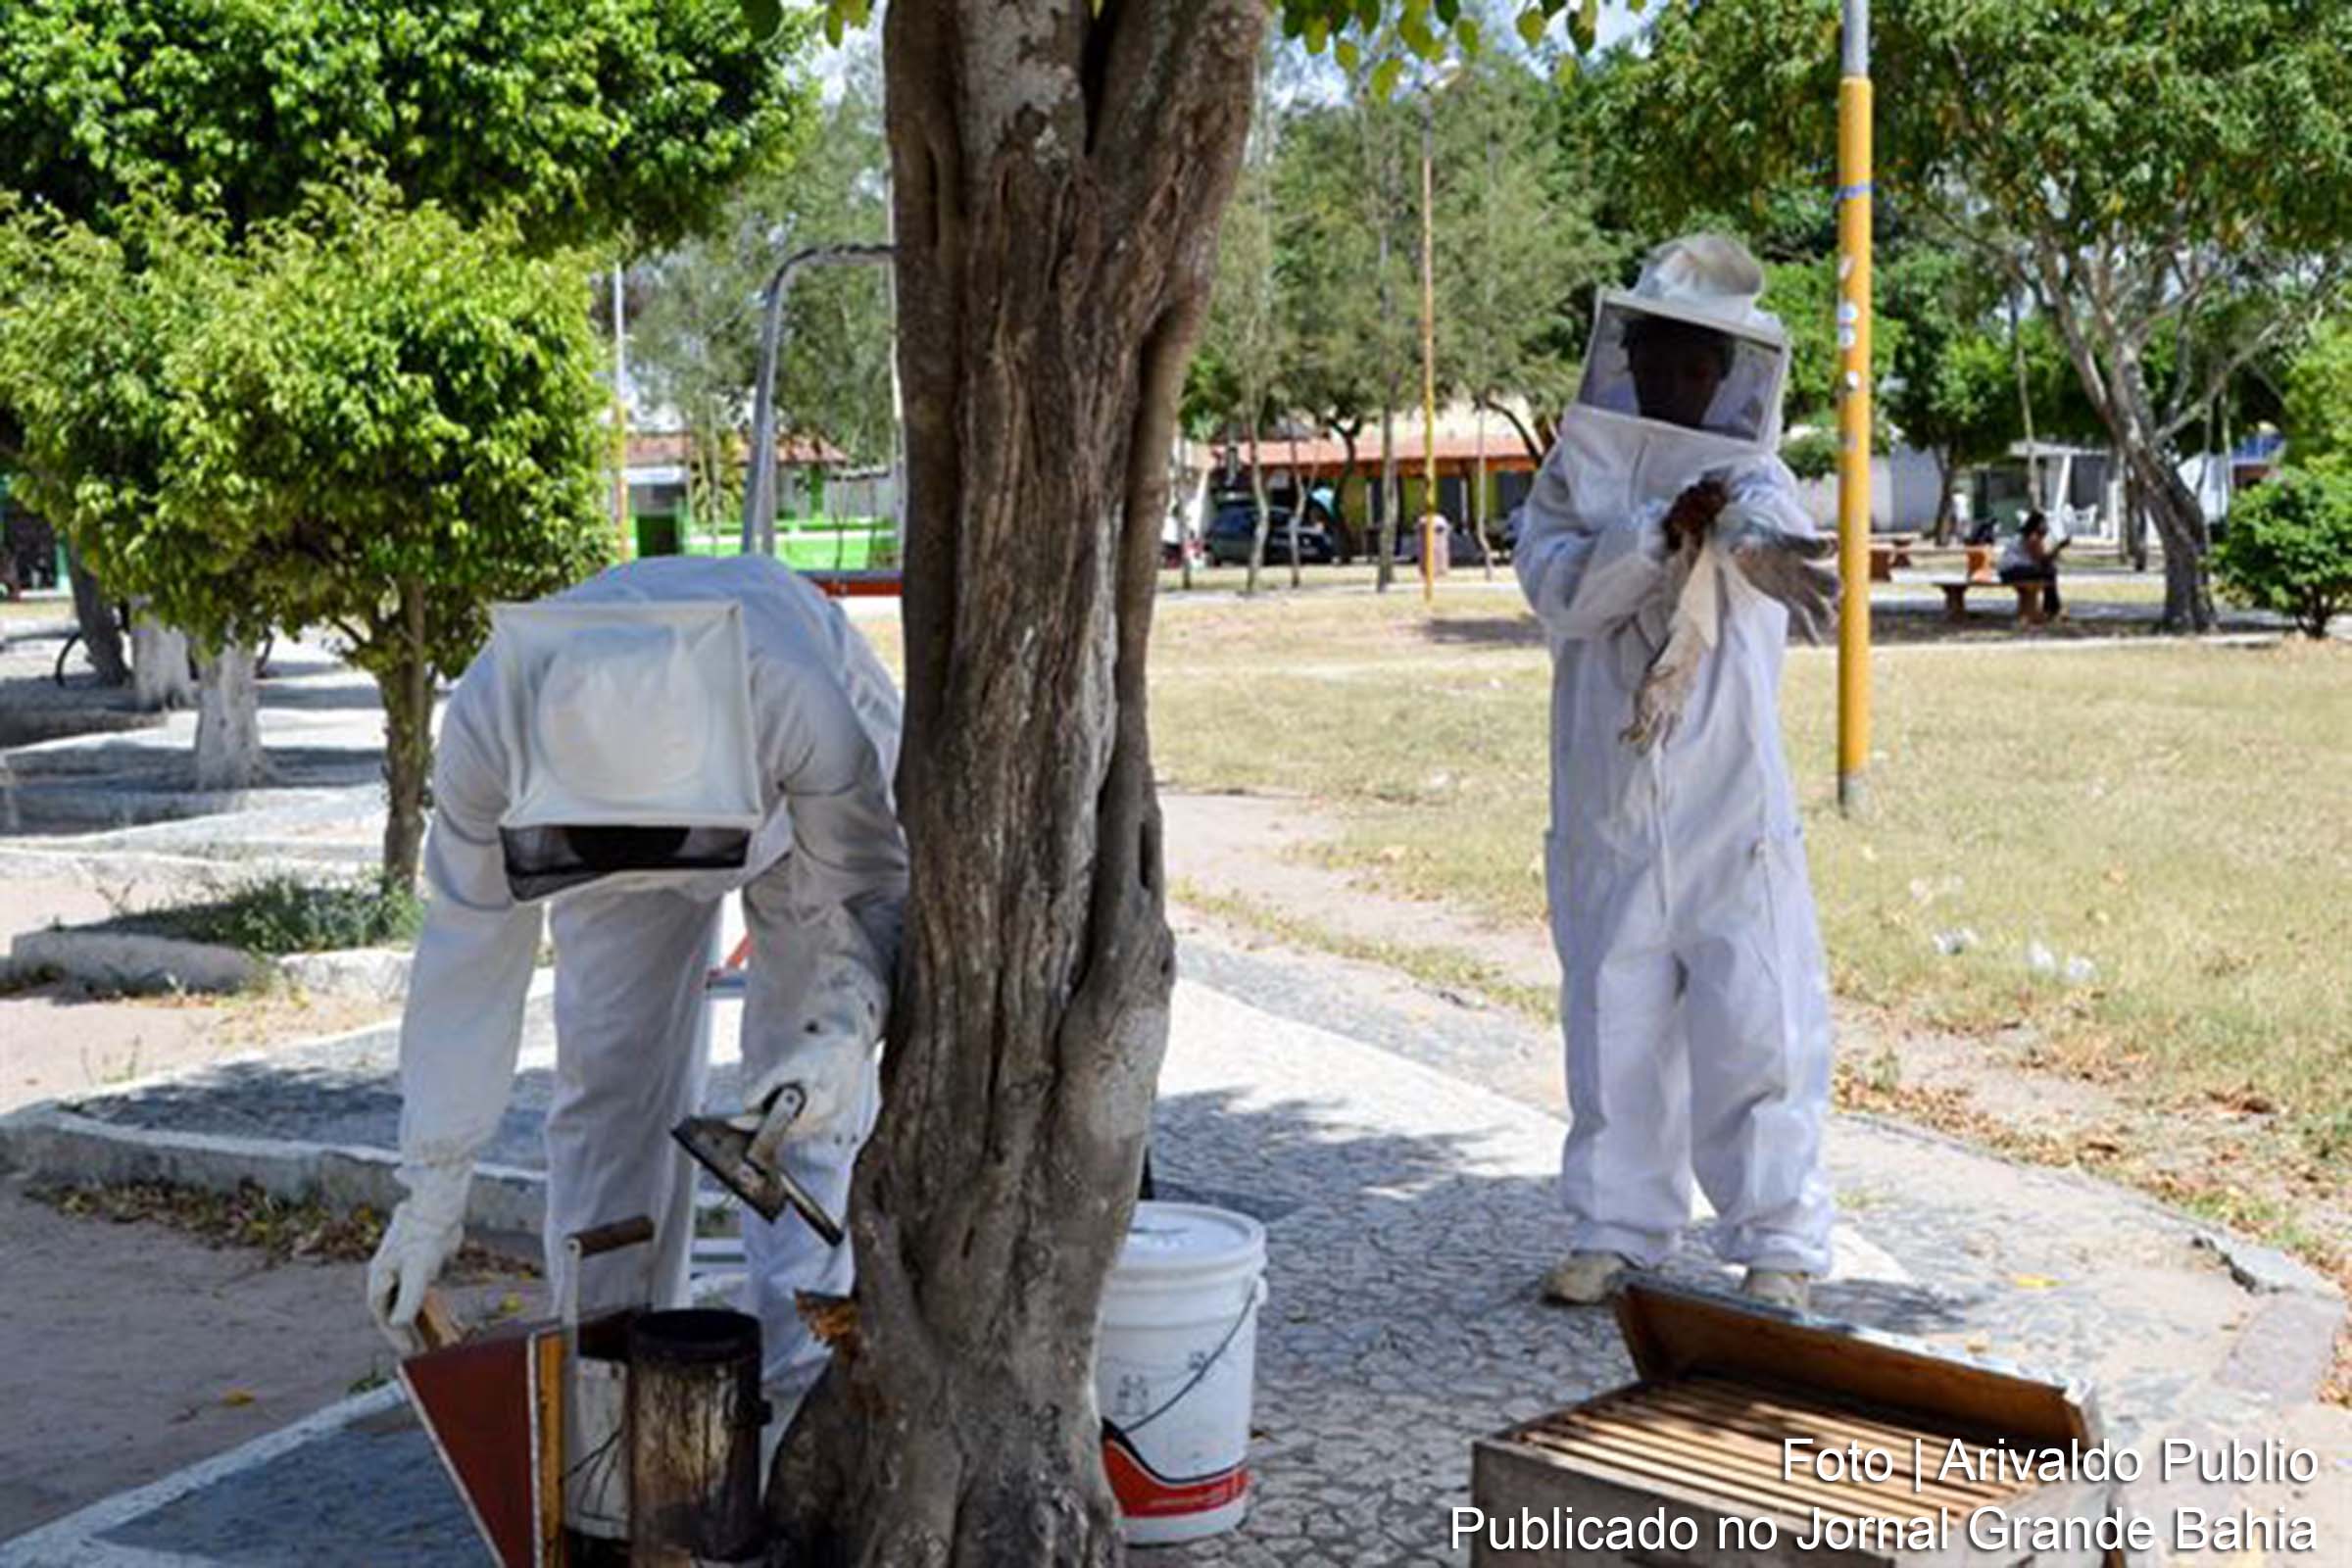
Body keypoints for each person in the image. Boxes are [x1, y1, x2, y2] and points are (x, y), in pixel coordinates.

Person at [364, 552, 906, 1422]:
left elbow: (868, 892)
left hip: (797, 821)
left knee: (802, 1108)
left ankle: (804, 1400)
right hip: (597, 849)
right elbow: (468, 960)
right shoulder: (490, 722)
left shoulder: (801, 694)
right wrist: (431, 1188)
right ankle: (604, 1394)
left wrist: (844, 1030)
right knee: (608, 1093)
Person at [1514, 233, 1840, 1312]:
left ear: (1729, 373)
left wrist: (1750, 542)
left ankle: (1779, 1243)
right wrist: (1659, 533)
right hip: (1609, 805)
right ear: (1634, 354)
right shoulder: (1577, 473)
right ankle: (1616, 1229)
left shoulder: (1755, 470)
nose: (1682, 374)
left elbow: (1764, 526)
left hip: (1729, 805)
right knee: (1614, 1020)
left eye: (1704, 359)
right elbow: (1565, 594)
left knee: (1759, 1016)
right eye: (1666, 353)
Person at [1998, 510, 2068, 619]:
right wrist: (2058, 548)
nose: (2046, 526)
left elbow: (2041, 559)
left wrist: (2054, 552)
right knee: (2050, 572)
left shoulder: (2027, 535)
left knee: (2049, 571)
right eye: (2044, 523)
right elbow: (2041, 560)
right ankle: (2052, 609)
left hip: (2008, 570)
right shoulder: (2033, 537)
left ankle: (2051, 608)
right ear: (2037, 524)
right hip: (2013, 570)